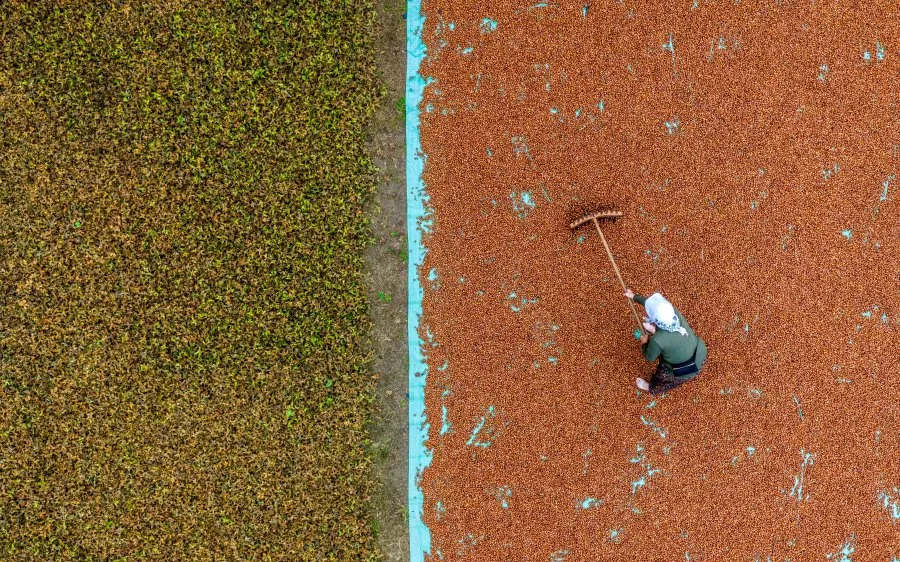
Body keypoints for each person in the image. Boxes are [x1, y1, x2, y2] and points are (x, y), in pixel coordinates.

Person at [623, 289, 707, 394]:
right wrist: (633, 296)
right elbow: (656, 306)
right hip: (700, 353)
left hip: (686, 369)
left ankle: (650, 387)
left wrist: (644, 342)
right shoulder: (674, 314)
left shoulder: (657, 340)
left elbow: (649, 358)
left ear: (656, 321)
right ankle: (654, 331)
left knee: (664, 376)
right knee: (669, 343)